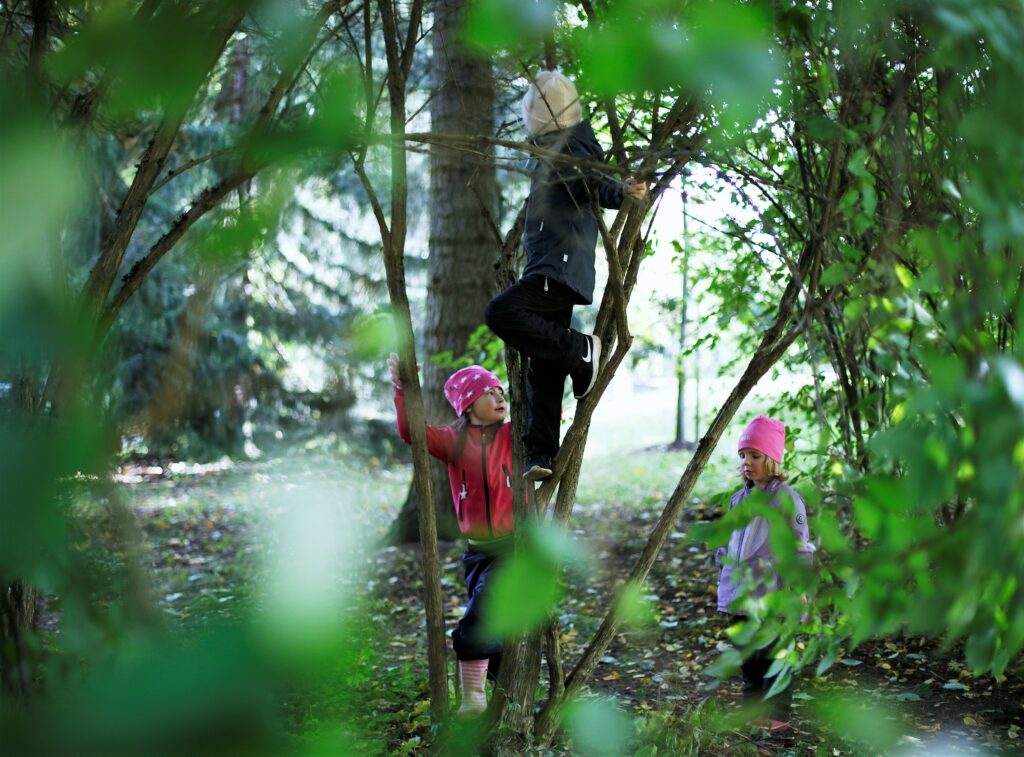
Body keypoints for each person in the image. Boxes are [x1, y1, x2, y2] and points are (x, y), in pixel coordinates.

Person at [484, 70, 648, 481]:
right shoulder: (554, 149)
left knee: (501, 314)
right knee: (543, 364)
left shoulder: (570, 146)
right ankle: (541, 452)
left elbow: (591, 182)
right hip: (552, 266)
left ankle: (580, 350)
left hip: (556, 268)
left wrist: (620, 191)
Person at [388, 354, 514, 716]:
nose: (500, 396)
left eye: (501, 389)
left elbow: (547, 419)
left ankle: (474, 699)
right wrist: (402, 388)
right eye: (489, 392)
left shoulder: (513, 436)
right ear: (469, 405)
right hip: (477, 554)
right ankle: (495, 701)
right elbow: (412, 431)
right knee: (495, 625)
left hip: (513, 549)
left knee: (479, 618)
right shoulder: (454, 442)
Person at [715, 415, 815, 734]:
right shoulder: (738, 499)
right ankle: (751, 722)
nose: (747, 462)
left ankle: (777, 725)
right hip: (742, 599)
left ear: (771, 459)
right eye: (743, 455)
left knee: (775, 660)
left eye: (755, 456)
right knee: (750, 663)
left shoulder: (788, 500)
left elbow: (800, 548)